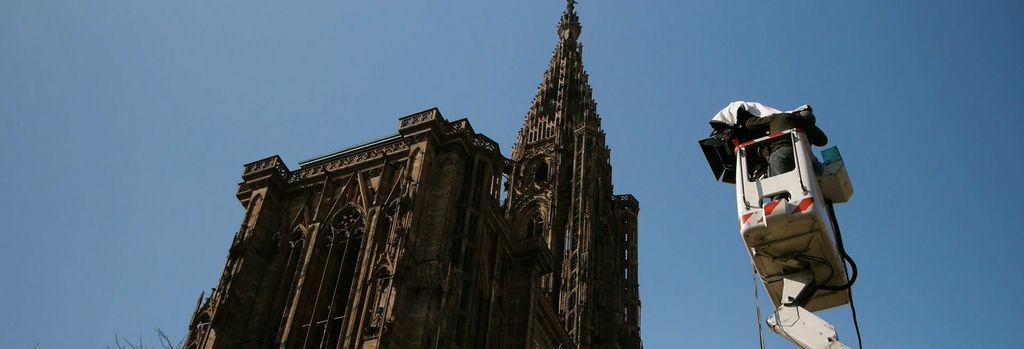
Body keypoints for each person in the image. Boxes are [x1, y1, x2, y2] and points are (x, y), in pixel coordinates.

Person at [744, 106, 827, 177]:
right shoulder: (809, 126)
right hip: (804, 158)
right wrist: (811, 126)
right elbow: (823, 141)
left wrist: (770, 118)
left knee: (779, 186)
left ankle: (780, 196)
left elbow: (749, 124)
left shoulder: (780, 117)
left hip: (781, 154)